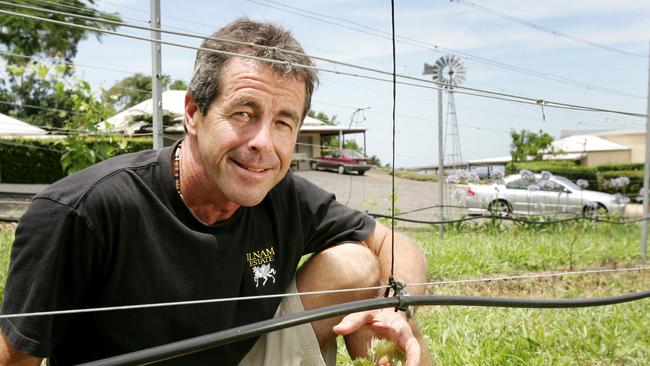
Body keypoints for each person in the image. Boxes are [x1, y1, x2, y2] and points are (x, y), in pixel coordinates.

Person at [0, 18, 429, 365]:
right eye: (244, 112)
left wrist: (396, 304)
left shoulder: (283, 195)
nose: (263, 142)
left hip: (246, 358)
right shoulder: (82, 212)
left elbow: (393, 241)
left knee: (354, 261)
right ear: (193, 112)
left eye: (283, 122)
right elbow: (15, 359)